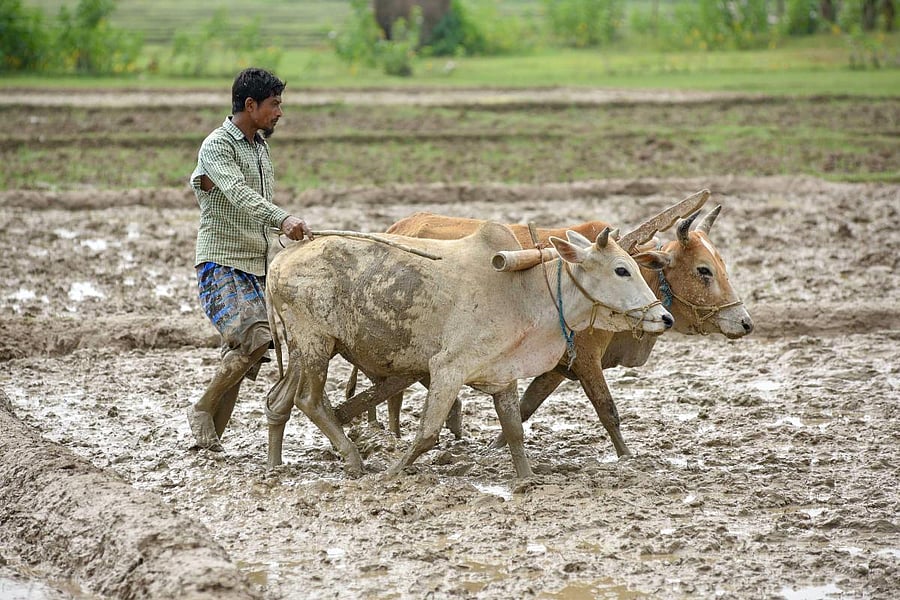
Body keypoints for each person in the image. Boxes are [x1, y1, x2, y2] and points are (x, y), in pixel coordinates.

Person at [187, 67, 313, 451]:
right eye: (274, 105)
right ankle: (201, 408)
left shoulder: (259, 147)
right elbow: (240, 195)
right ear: (250, 104)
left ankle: (209, 445)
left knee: (246, 356)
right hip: (221, 263)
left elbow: (251, 207)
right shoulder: (217, 146)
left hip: (257, 268)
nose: (279, 112)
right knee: (254, 340)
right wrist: (283, 218)